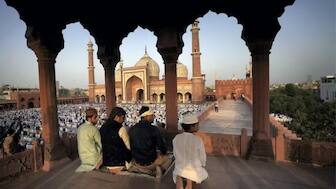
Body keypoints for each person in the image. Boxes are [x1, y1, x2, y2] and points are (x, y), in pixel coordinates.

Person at [128, 106, 170, 179]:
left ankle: (141, 169)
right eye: (152, 115)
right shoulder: (154, 129)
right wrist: (163, 154)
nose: (153, 117)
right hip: (150, 162)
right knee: (169, 158)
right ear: (147, 116)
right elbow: (162, 147)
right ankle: (154, 171)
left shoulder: (132, 129)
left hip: (137, 162)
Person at [173, 114, 208, 189]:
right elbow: (202, 158)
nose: (198, 126)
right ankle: (189, 183)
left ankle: (180, 180)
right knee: (196, 172)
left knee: (180, 171)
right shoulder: (198, 140)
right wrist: (203, 164)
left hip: (179, 168)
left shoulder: (176, 138)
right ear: (192, 127)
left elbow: (175, 154)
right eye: (197, 125)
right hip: (193, 170)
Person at [100, 107, 132, 173]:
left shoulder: (102, 128)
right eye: (123, 118)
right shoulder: (121, 129)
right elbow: (129, 147)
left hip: (106, 161)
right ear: (117, 117)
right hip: (119, 163)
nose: (123, 120)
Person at [76, 108, 102, 172]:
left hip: (83, 159)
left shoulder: (80, 128)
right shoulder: (94, 129)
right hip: (94, 160)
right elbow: (100, 145)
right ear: (89, 118)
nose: (97, 119)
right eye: (95, 117)